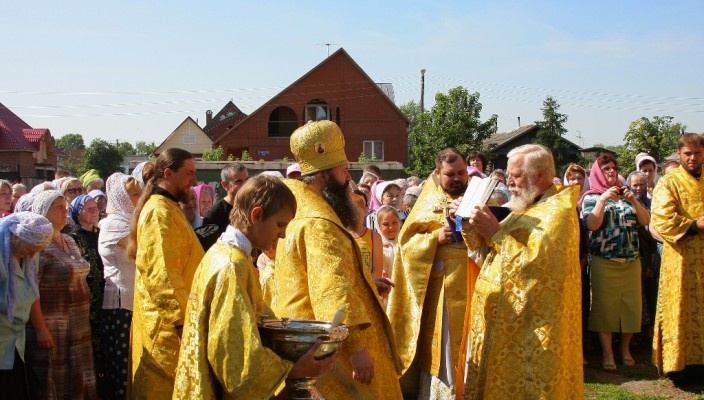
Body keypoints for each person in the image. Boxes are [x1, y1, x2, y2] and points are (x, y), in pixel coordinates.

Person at [173, 175, 338, 398]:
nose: (283, 234)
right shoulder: (232, 266)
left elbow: (255, 316)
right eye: (280, 224)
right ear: (257, 215)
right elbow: (234, 358)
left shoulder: (226, 254)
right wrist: (293, 370)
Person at [272, 120, 402, 400]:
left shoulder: (297, 210)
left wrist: (367, 285)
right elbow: (330, 289)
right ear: (324, 176)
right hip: (330, 349)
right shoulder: (320, 223)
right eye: (343, 171)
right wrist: (356, 349)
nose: (347, 179)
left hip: (302, 339)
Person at [463, 144, 584, 399]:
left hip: (531, 328)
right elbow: (491, 251)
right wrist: (470, 223)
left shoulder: (558, 213)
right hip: (505, 319)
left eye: (516, 176)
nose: (509, 182)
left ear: (539, 175)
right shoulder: (527, 205)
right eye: (508, 175)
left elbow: (537, 267)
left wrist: (495, 233)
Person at [387, 147, 476, 399]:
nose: (457, 178)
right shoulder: (428, 200)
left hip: (475, 284)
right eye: (451, 174)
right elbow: (406, 245)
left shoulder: (478, 196)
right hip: (442, 293)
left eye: (461, 172)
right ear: (437, 173)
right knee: (445, 350)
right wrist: (435, 237)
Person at [126, 148, 205, 399]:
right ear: (168, 173)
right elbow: (162, 275)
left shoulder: (168, 207)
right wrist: (181, 323)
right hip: (166, 327)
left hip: (173, 322)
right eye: (189, 173)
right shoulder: (158, 212)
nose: (193, 179)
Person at [26, 190, 99, 399]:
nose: (64, 210)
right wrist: (40, 329)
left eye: (65, 206)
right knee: (56, 379)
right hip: (52, 327)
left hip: (78, 326)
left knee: (78, 377)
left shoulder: (70, 240)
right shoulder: (37, 244)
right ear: (43, 211)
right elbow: (31, 290)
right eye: (58, 207)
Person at [581, 154, 650, 371]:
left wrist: (633, 201)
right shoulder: (591, 197)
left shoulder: (627, 194)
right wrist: (602, 200)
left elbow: (645, 220)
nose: (611, 171)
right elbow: (591, 225)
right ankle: (607, 352)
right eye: (606, 169)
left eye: (613, 168)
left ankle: (625, 350)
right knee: (605, 308)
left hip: (631, 260)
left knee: (631, 307)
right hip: (604, 261)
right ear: (598, 173)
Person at [650, 133, 704, 385]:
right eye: (688, 154)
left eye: (697, 153)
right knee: (680, 309)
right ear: (680, 154)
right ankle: (679, 368)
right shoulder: (668, 182)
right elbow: (662, 219)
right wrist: (694, 225)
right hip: (681, 259)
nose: (693, 158)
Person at [0, 212, 53, 400]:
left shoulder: (30, 254)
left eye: (37, 251)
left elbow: (31, 292)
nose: (33, 254)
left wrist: (41, 329)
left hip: (16, 339)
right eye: (31, 249)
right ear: (16, 238)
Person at [98, 173, 141, 399]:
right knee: (123, 364)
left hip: (134, 302)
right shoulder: (115, 223)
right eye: (134, 194)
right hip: (121, 305)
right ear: (121, 198)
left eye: (140, 193)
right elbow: (141, 250)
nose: (140, 198)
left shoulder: (133, 220)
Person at [68, 194, 107, 394]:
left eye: (96, 208)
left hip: (106, 296)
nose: (94, 211)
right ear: (78, 213)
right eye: (89, 208)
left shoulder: (102, 233)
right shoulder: (73, 238)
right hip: (87, 300)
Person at [202, 163, 249, 246]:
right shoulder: (214, 215)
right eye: (239, 181)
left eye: (247, 180)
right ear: (225, 185)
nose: (245, 185)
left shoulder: (253, 207)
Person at [350, 190, 383, 278]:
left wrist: (364, 285)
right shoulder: (341, 235)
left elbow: (377, 271)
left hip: (369, 284)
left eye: (355, 210)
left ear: (365, 210)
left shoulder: (374, 237)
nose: (352, 214)